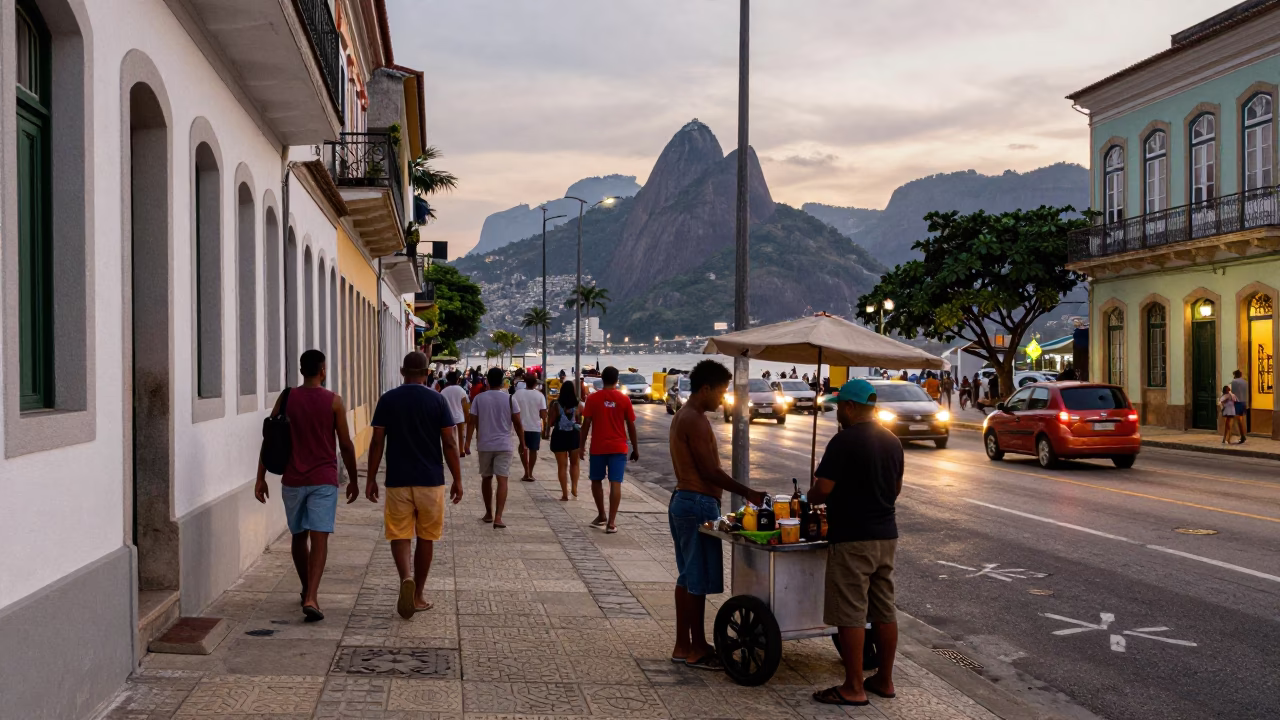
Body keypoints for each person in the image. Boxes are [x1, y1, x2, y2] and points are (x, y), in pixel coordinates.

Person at [808, 379, 902, 707]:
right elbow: (896, 488)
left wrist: (811, 494)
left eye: (839, 408)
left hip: (852, 538)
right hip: (886, 535)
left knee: (851, 613)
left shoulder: (843, 442)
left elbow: (823, 490)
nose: (837, 414)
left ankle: (853, 687)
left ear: (850, 407)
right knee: (883, 610)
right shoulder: (892, 441)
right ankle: (885, 681)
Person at [668, 360, 767, 669]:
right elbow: (709, 471)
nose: (723, 398)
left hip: (685, 500)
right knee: (695, 579)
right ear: (706, 388)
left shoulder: (684, 415)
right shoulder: (694, 419)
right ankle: (697, 648)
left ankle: (683, 644)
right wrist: (747, 492)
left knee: (686, 577)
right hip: (696, 502)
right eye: (722, 391)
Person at [254, 350, 359, 622]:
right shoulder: (334, 402)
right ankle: (312, 595)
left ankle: (305, 589)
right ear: (323, 370)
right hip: (323, 479)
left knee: (299, 536)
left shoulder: (287, 398)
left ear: (302, 371)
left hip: (292, 479)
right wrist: (355, 479)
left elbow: (270, 437)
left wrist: (260, 477)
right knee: (320, 536)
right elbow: (346, 444)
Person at [365, 352, 464, 619]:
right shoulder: (437, 400)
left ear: (402, 371)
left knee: (399, 533)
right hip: (430, 481)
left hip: (398, 479)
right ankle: (418, 594)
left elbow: (377, 442)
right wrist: (458, 479)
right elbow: (450, 443)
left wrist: (371, 477)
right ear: (427, 372)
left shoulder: (388, 400)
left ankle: (405, 578)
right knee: (426, 536)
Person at [465, 367, 526, 529]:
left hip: (485, 444)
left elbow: (471, 422)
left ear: (487, 381)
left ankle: (488, 513)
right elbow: (518, 424)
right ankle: (498, 517)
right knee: (502, 479)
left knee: (486, 478)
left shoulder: (479, 399)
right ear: (503, 382)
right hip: (504, 445)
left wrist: (466, 444)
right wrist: (523, 443)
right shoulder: (510, 399)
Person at [580, 366, 639, 533]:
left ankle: (601, 514)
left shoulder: (593, 398)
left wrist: (581, 445)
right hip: (619, 447)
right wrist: (635, 447)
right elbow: (631, 425)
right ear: (617, 379)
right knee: (615, 483)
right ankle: (611, 522)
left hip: (598, 447)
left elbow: (586, 424)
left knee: (596, 481)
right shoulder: (624, 399)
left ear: (601, 379)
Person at [548, 380, 582, 501]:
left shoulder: (555, 404)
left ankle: (565, 494)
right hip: (574, 436)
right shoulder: (578, 405)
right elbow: (580, 421)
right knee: (575, 464)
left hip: (559, 436)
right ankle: (574, 487)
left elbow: (550, 422)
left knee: (562, 466)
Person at [514, 374, 548, 481]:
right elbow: (543, 414)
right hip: (535, 426)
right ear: (535, 384)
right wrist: (546, 427)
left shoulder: (517, 394)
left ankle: (526, 471)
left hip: (521, 426)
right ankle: (530, 472)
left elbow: (512, 409)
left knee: (522, 447)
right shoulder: (539, 395)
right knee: (533, 450)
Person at [440, 370, 470, 456]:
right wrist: (467, 416)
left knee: (449, 437)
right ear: (457, 380)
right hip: (459, 416)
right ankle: (461, 450)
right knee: (461, 434)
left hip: (447, 417)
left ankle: (450, 451)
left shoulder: (444, 391)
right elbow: (465, 405)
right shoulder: (461, 390)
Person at [1231, 369, 1249, 443]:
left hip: (1237, 402)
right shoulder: (1245, 382)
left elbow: (1233, 392)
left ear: (1235, 375)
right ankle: (1242, 435)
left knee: (1239, 420)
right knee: (1241, 419)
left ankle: (1242, 436)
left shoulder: (1234, 382)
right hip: (1244, 402)